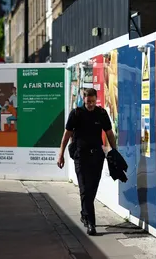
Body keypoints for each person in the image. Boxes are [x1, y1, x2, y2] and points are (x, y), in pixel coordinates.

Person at [57, 88, 117, 236]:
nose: (90, 104)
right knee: (84, 189)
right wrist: (61, 154)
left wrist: (114, 152)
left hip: (97, 157)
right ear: (83, 100)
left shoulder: (101, 114)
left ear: (96, 99)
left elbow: (109, 133)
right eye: (87, 101)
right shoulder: (76, 114)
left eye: (92, 101)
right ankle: (91, 223)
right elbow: (66, 135)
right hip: (80, 156)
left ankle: (85, 213)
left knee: (92, 189)